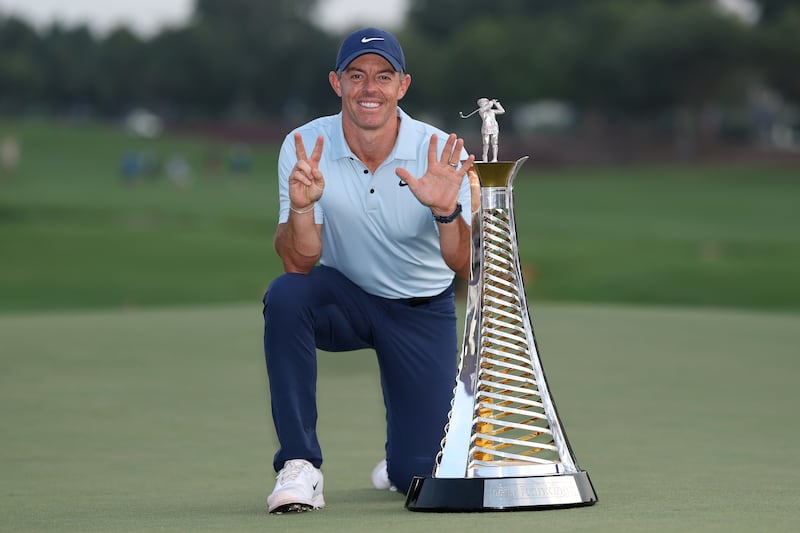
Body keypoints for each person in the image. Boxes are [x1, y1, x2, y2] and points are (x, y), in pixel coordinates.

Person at [262, 27, 476, 514]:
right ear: (336, 83)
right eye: (356, 76)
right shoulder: (304, 145)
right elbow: (299, 262)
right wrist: (301, 208)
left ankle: (404, 456)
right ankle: (299, 464)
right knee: (286, 296)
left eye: (384, 76)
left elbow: (465, 264)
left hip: (419, 310)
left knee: (416, 476)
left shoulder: (441, 151)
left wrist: (446, 212)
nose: (369, 88)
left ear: (403, 86)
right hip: (346, 298)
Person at [477, 98, 505, 162]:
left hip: (494, 128)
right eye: (484, 103)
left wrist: (496, 104)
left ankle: (495, 158)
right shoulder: (481, 111)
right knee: (486, 143)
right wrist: (490, 102)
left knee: (495, 143)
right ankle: (485, 156)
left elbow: (502, 111)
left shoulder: (492, 111)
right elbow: (488, 106)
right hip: (486, 128)